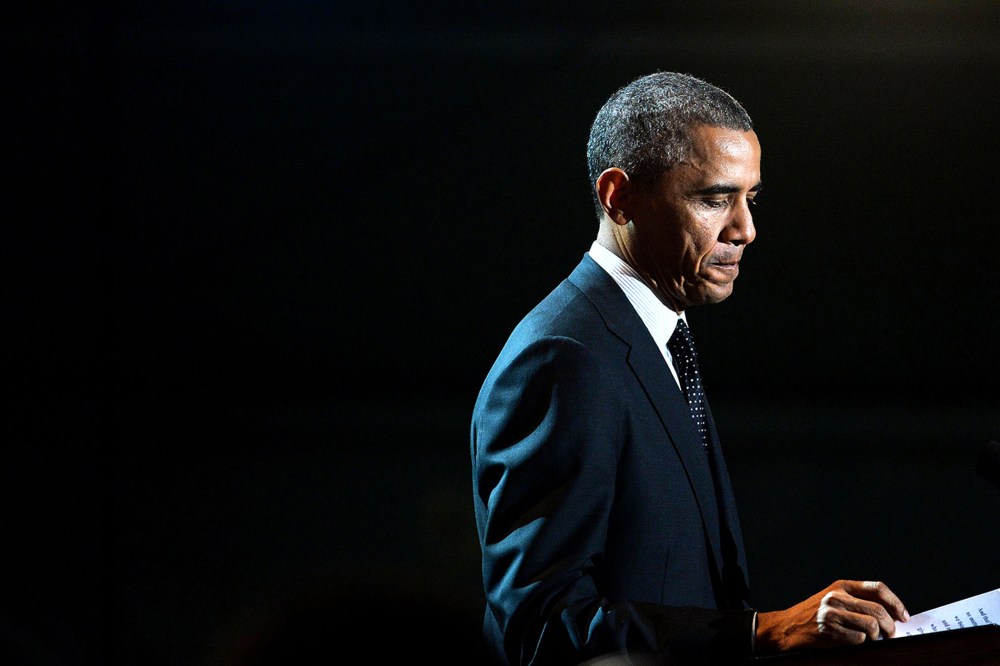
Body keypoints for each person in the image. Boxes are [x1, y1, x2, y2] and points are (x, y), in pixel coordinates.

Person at [469, 71, 910, 665]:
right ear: (618, 196)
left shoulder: (656, 336)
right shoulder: (564, 359)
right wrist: (762, 632)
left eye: (749, 198)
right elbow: (540, 626)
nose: (745, 231)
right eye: (712, 199)